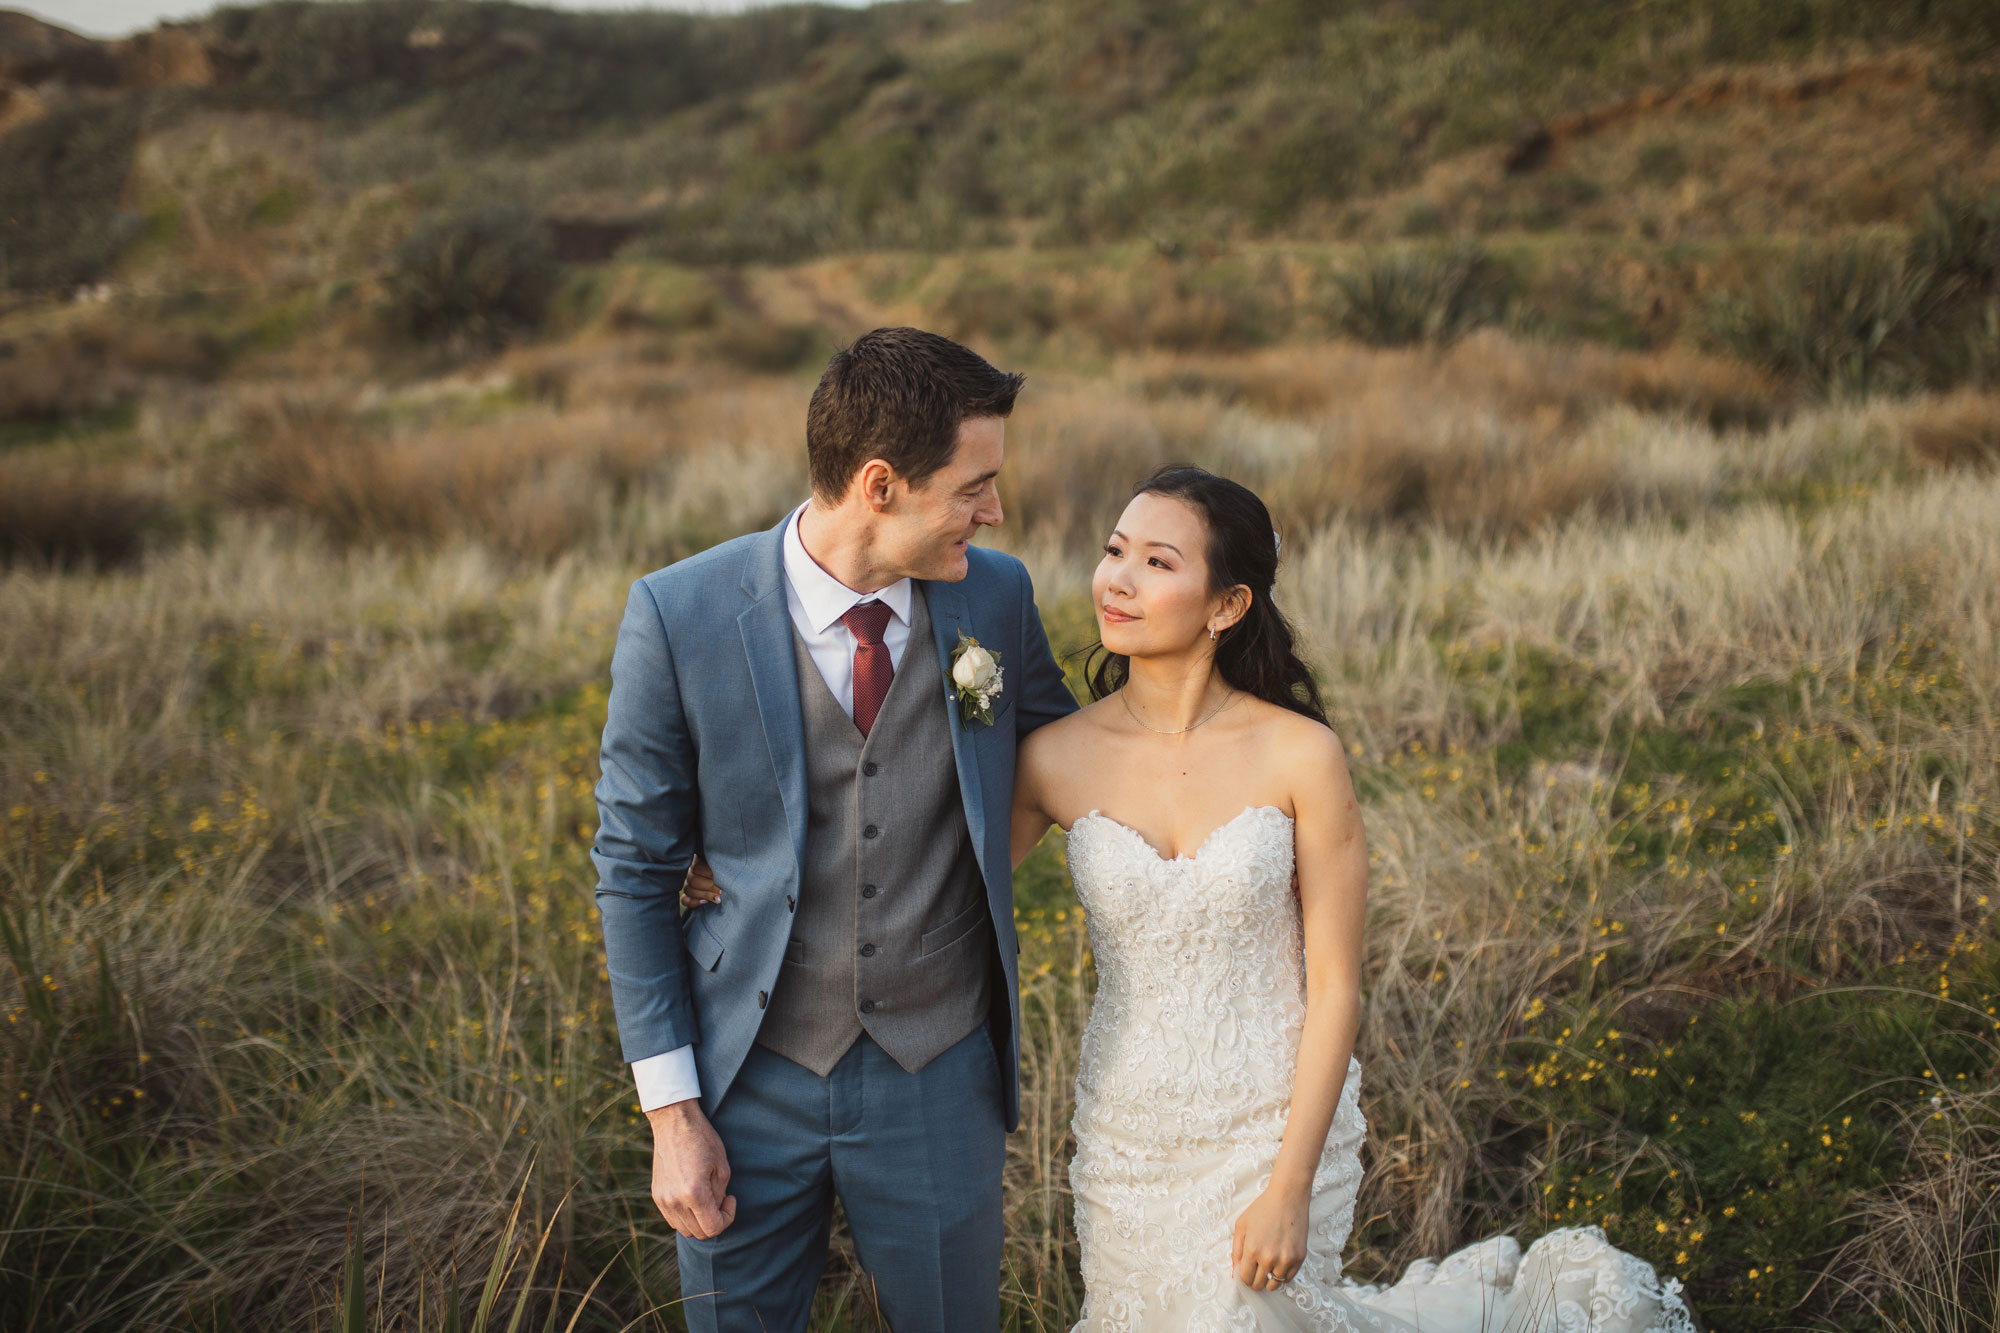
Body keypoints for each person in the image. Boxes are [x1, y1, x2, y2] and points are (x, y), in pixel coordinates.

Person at [1002, 464, 1702, 1331]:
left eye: (1157, 561)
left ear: (1227, 605)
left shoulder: (1301, 755)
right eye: (1115, 551)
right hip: (1128, 1136)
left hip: (1274, 1122)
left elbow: (1336, 984)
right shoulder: (1054, 758)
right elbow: (948, 898)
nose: (1118, 579)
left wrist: (1289, 1185)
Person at [590, 326, 1079, 1333]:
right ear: (880, 484)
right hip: (741, 1073)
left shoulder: (995, 593)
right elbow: (634, 873)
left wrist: (1235, 728)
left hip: (937, 1069)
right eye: (972, 485)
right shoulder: (676, 615)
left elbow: (1069, 756)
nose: (993, 511)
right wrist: (672, 1114)